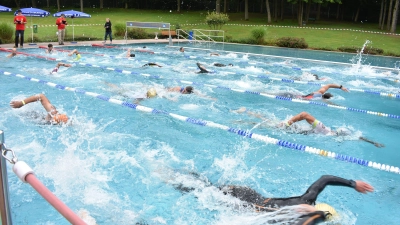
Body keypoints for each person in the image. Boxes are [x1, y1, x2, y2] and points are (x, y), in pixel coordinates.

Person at [172, 173, 373, 224]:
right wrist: (319, 214)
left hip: (249, 195)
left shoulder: (308, 199)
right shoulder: (302, 218)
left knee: (205, 187)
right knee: (200, 191)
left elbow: (325, 179)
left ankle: (177, 176)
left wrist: (353, 184)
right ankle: (172, 178)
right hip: (245, 203)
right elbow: (315, 218)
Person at [234, 109, 384, 147]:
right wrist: (287, 124)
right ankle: (241, 118)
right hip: (291, 129)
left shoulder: (329, 133)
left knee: (268, 121)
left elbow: (356, 137)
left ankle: (247, 113)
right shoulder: (324, 130)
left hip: (296, 129)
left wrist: (372, 142)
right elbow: (304, 114)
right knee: (265, 125)